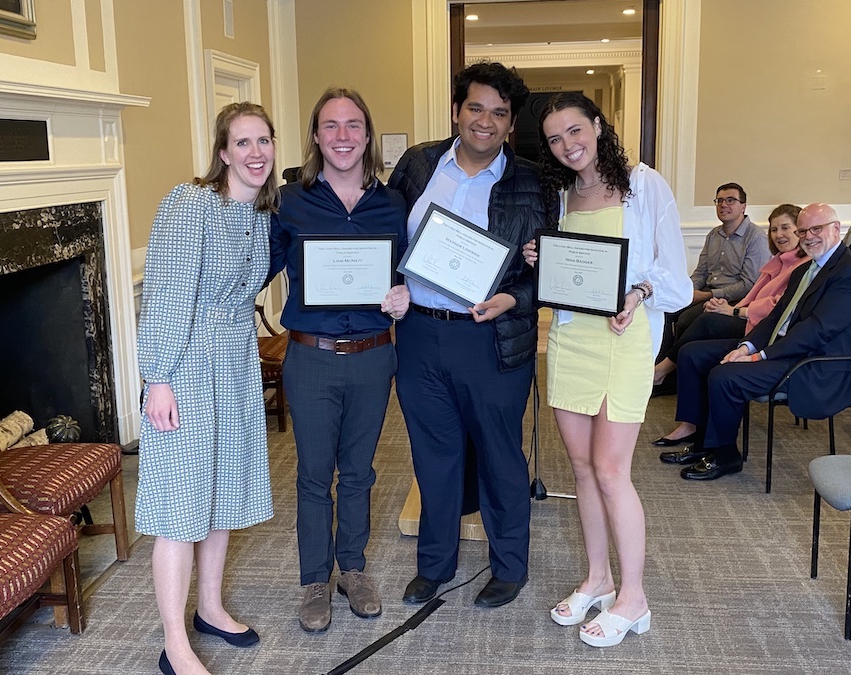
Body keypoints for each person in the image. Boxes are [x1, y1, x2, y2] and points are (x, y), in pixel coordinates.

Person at [522, 92, 692, 647]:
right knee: (582, 467)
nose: (567, 145)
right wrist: (539, 258)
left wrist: (640, 292)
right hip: (571, 340)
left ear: (597, 126)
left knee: (612, 470)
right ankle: (597, 578)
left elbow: (676, 278)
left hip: (624, 340)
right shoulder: (561, 195)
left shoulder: (644, 184)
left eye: (575, 130)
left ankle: (634, 596)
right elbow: (571, 274)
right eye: (554, 138)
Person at [388, 62, 555, 609]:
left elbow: (550, 270)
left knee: (499, 455)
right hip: (419, 336)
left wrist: (514, 297)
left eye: (500, 114)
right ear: (457, 110)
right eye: (476, 108)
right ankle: (434, 566)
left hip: (492, 339)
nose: (486, 121)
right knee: (433, 455)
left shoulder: (532, 181)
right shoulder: (417, 165)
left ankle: (509, 566)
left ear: (511, 125)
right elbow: (388, 237)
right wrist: (392, 285)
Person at [136, 102, 278, 675]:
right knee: (179, 505)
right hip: (189, 365)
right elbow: (166, 296)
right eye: (242, 143)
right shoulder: (191, 204)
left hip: (236, 363)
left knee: (220, 495)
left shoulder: (259, 214)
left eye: (263, 140)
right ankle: (174, 641)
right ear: (222, 152)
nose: (255, 153)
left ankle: (211, 607)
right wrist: (158, 379)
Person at [268, 88, 409, 633]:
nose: (343, 136)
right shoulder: (291, 201)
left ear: (367, 136)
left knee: (359, 472)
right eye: (331, 126)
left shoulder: (392, 203)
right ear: (316, 137)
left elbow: (410, 271)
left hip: (374, 358)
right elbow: (255, 265)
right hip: (312, 359)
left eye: (353, 125)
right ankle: (314, 580)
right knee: (311, 474)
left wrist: (405, 295)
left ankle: (352, 569)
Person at [661, 203, 851, 480]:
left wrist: (759, 357)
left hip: (816, 364)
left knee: (725, 376)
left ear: (836, 229)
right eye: (803, 231)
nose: (809, 236)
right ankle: (701, 441)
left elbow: (817, 330)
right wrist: (746, 346)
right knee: (693, 354)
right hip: (786, 349)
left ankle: (724, 455)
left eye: (816, 229)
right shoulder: (805, 270)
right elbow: (775, 319)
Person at [652, 204, 806, 445]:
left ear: (801, 231)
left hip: (766, 332)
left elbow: (777, 306)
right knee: (690, 347)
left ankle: (662, 369)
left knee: (705, 323)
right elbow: (753, 294)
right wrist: (723, 306)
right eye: (775, 229)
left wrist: (733, 310)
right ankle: (689, 423)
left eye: (786, 227)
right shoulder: (777, 261)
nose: (779, 234)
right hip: (747, 317)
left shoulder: (803, 266)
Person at [655, 183, 769, 385]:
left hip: (735, 299)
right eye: (720, 201)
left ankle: (672, 373)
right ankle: (665, 375)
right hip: (707, 292)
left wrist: (706, 296)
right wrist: (685, 290)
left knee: (686, 319)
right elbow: (701, 272)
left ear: (743, 206)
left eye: (730, 200)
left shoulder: (756, 237)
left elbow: (748, 284)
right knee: (666, 309)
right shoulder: (713, 235)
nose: (724, 205)